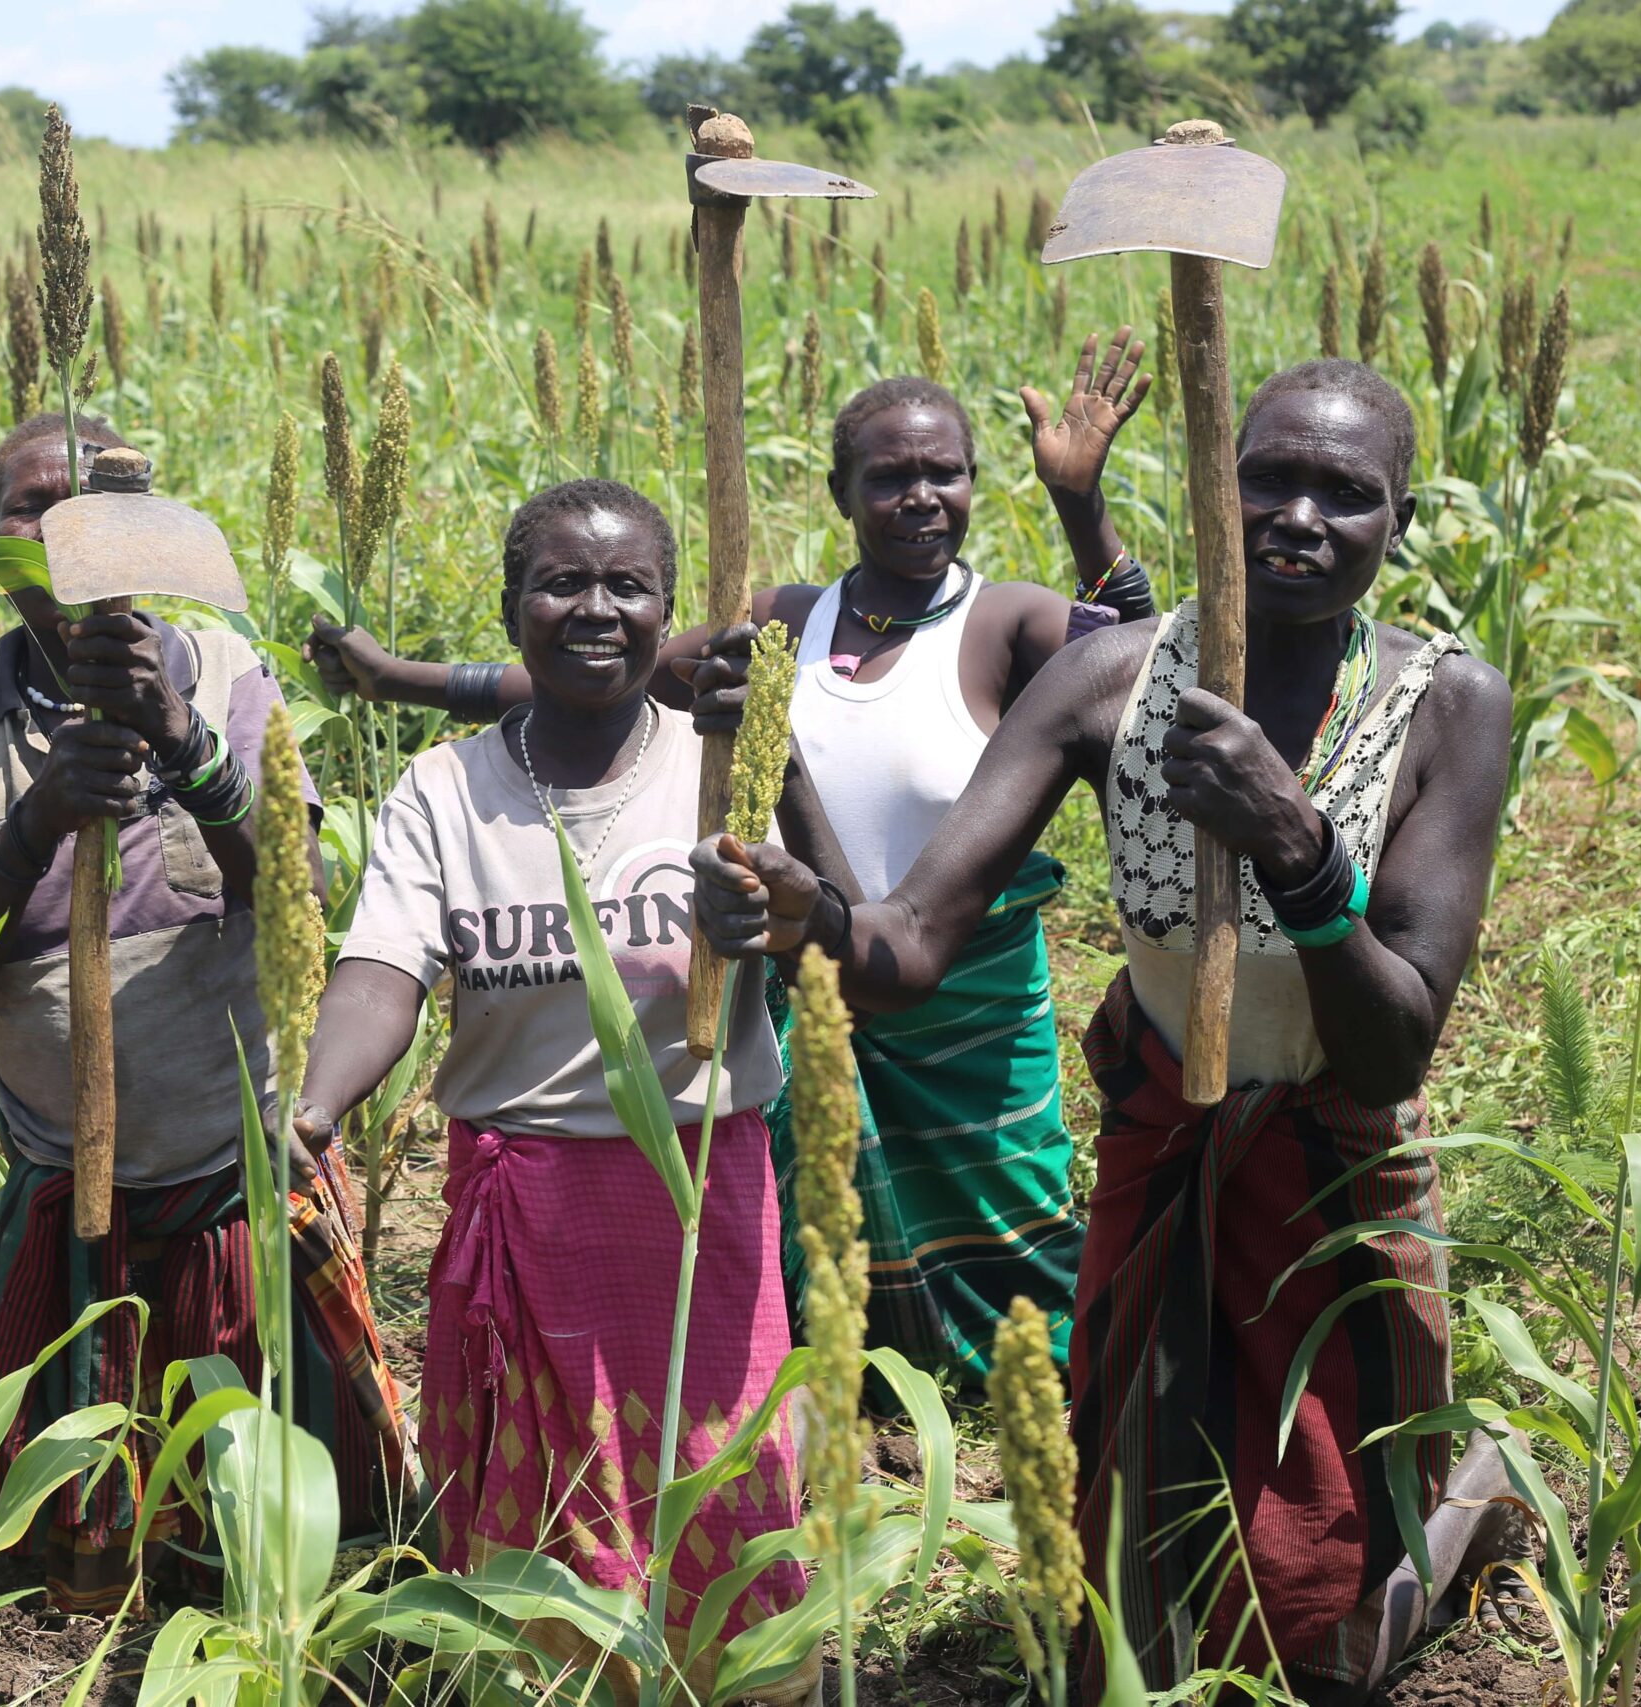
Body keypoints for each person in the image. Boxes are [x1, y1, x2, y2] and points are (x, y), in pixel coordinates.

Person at [690, 361, 1525, 1701]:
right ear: (1216, 486)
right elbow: (906, 946)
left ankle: (1463, 1506)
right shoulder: (1109, 682)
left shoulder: (1446, 702)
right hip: (1168, 1148)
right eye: (1269, 479)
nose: (1299, 515)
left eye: (1345, 494)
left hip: (1337, 1164)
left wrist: (1299, 849)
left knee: (1326, 1615)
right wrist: (813, 910)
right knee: (1129, 1583)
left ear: (1399, 517)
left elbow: (1395, 1047)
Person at [305, 333, 1162, 1381]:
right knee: (820, 1200)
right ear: (842, 491)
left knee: (1005, 1195)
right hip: (808, 957)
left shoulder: (1007, 620)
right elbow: (600, 670)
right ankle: (831, 1368)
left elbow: (1139, 673)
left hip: (956, 984)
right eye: (888, 477)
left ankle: (1025, 1367)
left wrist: (1081, 504)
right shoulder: (786, 621)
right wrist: (405, 679)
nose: (920, 498)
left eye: (944, 474)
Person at [0, 411, 410, 1613]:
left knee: (288, 1526)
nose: (63, 538)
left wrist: (182, 744)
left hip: (241, 1173)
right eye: (27, 510)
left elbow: (299, 901)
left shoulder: (222, 677)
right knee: (78, 1556)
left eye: (89, 506)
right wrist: (33, 827)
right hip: (72, 1181)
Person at [291, 478, 810, 1703]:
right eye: (561, 582)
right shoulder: (445, 788)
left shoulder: (726, 766)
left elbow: (830, 922)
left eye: (627, 587)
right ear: (511, 604)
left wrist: (774, 891)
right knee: (545, 1535)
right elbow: (381, 972)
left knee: (717, 1482)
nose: (594, 610)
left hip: (696, 1199)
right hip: (523, 1208)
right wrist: (312, 1103)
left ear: (668, 611)